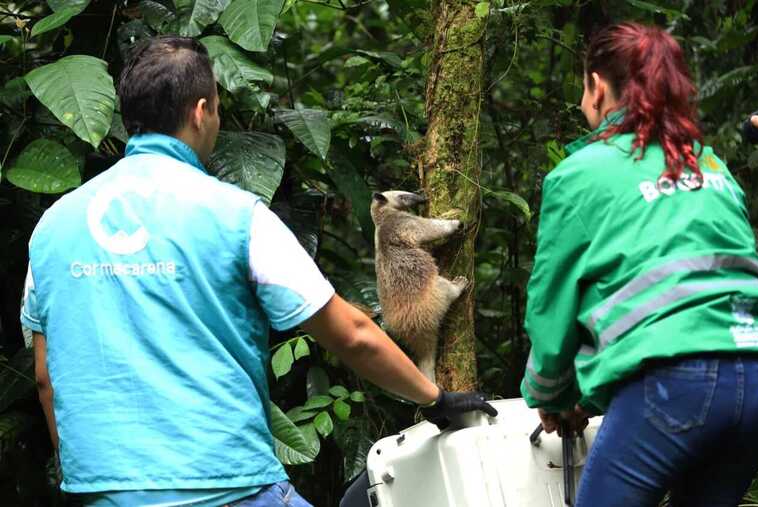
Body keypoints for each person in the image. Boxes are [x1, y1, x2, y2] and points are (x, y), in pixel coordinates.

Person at [20, 36, 496, 507]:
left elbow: (47, 376)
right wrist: (435, 400)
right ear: (201, 110)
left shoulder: (53, 226)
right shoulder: (236, 215)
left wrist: (102, 480)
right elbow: (351, 334)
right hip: (224, 484)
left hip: (101, 490)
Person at [521, 22, 758, 507]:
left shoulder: (578, 175)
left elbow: (550, 314)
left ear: (596, 86)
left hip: (674, 384)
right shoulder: (707, 163)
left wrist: (551, 397)